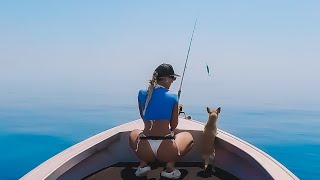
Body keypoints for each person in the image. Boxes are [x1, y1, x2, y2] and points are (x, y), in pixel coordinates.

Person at [129, 63, 194, 179]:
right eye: (172, 78)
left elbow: (144, 117)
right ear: (164, 78)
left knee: (134, 133)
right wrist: (175, 111)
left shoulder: (141, 93)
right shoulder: (173, 96)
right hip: (166, 151)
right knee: (188, 136)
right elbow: (174, 125)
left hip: (145, 150)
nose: (173, 81)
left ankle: (143, 164)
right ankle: (170, 167)